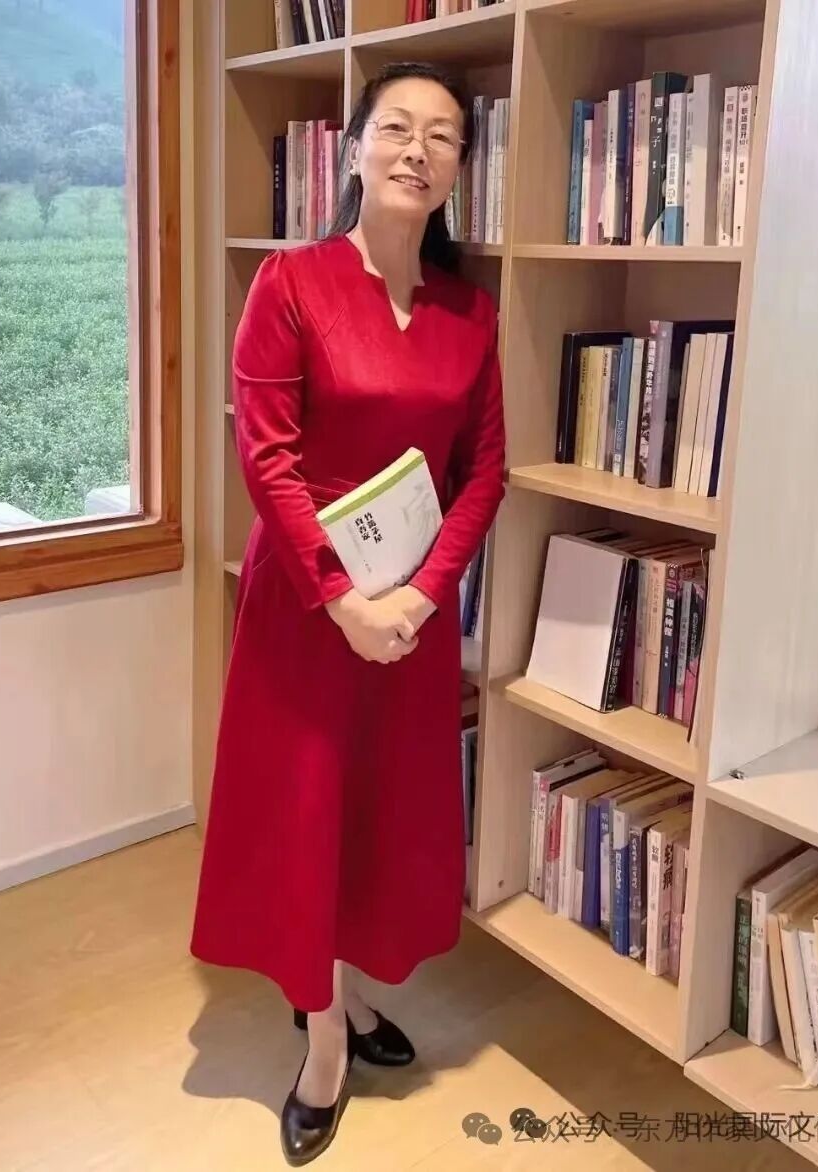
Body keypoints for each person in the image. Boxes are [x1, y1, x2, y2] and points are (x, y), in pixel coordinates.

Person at [189, 59, 507, 1166]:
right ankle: (323, 1033)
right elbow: (266, 456)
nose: (418, 149)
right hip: (307, 610)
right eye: (397, 127)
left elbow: (484, 471)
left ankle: (345, 986)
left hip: (411, 618)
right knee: (305, 813)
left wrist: (420, 595)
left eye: (443, 135)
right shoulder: (291, 283)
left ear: (461, 167)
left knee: (376, 812)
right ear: (357, 148)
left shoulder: (472, 311)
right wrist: (340, 598)